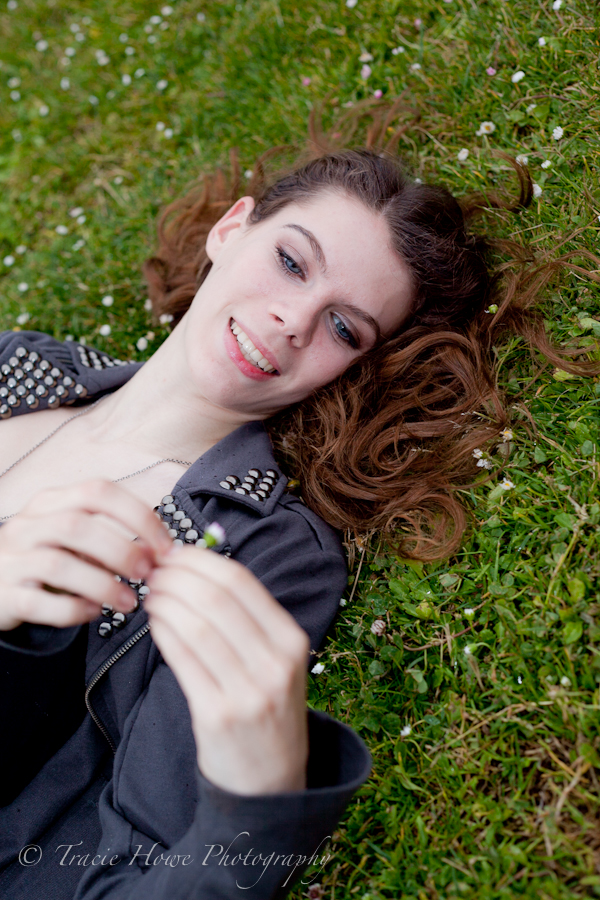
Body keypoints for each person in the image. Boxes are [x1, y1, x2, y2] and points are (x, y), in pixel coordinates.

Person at [0, 103, 595, 899]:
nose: (291, 321)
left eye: (343, 329)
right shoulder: (17, 365)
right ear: (232, 229)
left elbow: (127, 870)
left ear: (348, 369)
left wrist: (261, 803)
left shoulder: (258, 546)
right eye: (290, 261)